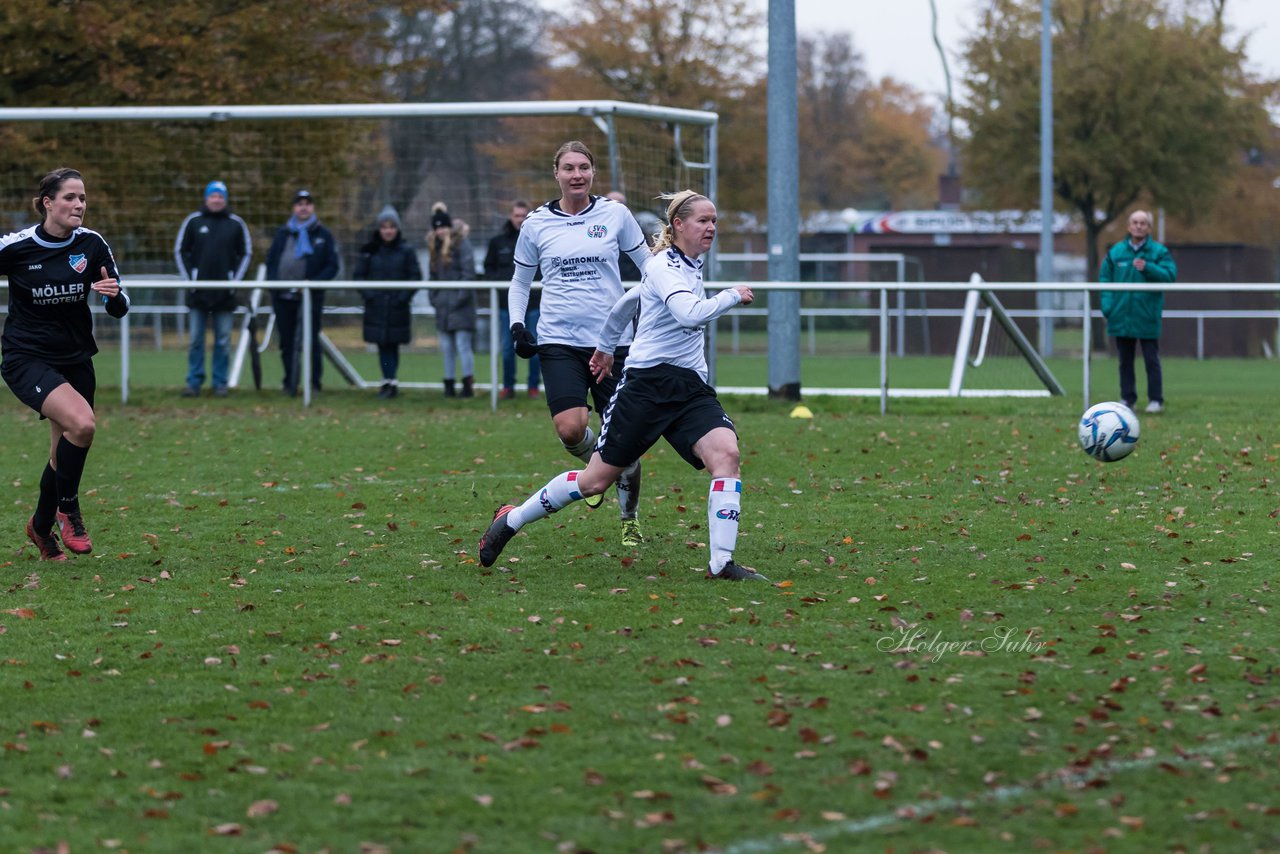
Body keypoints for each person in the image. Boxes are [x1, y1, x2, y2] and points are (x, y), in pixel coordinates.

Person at [479, 190, 764, 581]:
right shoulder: (664, 266)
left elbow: (624, 304)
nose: (711, 227)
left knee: (726, 455)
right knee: (594, 480)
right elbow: (687, 313)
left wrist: (605, 347)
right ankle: (511, 520)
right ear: (678, 225)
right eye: (703, 220)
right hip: (646, 387)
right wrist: (732, 295)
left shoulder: (688, 265)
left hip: (690, 389)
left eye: (714, 220)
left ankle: (721, 564)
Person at [505, 141, 653, 547]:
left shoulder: (615, 215)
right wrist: (518, 325)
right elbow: (519, 282)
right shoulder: (536, 223)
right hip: (558, 341)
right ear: (556, 174)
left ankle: (629, 517)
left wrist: (658, 311)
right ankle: (598, 470)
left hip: (613, 343)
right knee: (571, 429)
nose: (576, 175)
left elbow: (650, 270)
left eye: (584, 167)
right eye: (568, 168)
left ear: (593, 173)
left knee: (623, 437)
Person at [0, 168, 131, 561]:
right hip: (27, 357)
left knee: (63, 454)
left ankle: (40, 528)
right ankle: (67, 509)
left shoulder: (91, 245)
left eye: (83, 198)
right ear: (48, 203)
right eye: (71, 197)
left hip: (75, 358)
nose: (79, 205)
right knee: (84, 424)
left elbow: (121, 305)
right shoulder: (17, 246)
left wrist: (112, 297)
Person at [174, 180, 252, 398]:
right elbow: (181, 251)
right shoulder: (193, 221)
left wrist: (232, 281)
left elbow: (246, 253)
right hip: (198, 293)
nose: (216, 200)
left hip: (225, 295)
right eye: (213, 196)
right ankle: (194, 382)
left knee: (223, 340)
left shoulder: (235, 224)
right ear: (206, 198)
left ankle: (220, 383)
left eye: (220, 196)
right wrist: (191, 280)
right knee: (196, 340)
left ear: (225, 199)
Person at [1099, 209, 1176, 414]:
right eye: (1135, 222)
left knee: (1151, 360)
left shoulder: (1159, 252)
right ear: (1128, 226)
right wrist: (1108, 307)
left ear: (1149, 228)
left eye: (1143, 223)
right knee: (1125, 360)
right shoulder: (1116, 252)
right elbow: (1105, 279)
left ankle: (1155, 400)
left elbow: (1170, 276)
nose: (1138, 226)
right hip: (1121, 316)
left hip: (1146, 315)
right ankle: (1127, 398)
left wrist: (1148, 268)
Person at [266, 189, 339, 396]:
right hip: (283, 297)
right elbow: (272, 261)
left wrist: (313, 284)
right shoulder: (283, 233)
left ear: (313, 207)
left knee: (310, 341)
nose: (303, 207)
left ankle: (313, 384)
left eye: (307, 203)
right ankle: (290, 382)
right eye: (299, 203)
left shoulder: (323, 235)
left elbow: (332, 266)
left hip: (309, 297)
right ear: (294, 208)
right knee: (287, 342)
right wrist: (274, 284)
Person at [353, 205, 422, 399]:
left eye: (392, 226)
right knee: (382, 345)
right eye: (384, 227)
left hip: (397, 308)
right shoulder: (369, 251)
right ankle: (387, 381)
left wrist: (401, 298)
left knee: (392, 345)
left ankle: (390, 382)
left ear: (397, 228)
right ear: (379, 229)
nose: (388, 231)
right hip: (376, 308)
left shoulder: (407, 251)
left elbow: (415, 277)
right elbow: (358, 277)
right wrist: (371, 296)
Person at [484, 200, 540, 399]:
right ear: (511, 217)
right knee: (508, 349)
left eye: (523, 216)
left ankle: (533, 387)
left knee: (535, 346)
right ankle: (508, 387)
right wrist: (502, 288)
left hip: (534, 304)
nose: (519, 220)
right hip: (505, 305)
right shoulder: (497, 242)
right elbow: (488, 269)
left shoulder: (536, 240)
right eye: (516, 216)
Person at [426, 202, 477, 398]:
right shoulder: (434, 248)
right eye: (437, 227)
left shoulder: (462, 244)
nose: (440, 231)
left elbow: (468, 274)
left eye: (443, 227)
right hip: (443, 308)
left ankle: (467, 383)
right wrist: (435, 298)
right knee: (446, 348)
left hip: (460, 308)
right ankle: (448, 384)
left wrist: (457, 299)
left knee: (463, 346)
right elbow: (432, 277)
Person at [606, 191, 644, 283]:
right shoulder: (597, 229)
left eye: (618, 204)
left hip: (631, 281)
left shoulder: (635, 227)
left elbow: (644, 257)